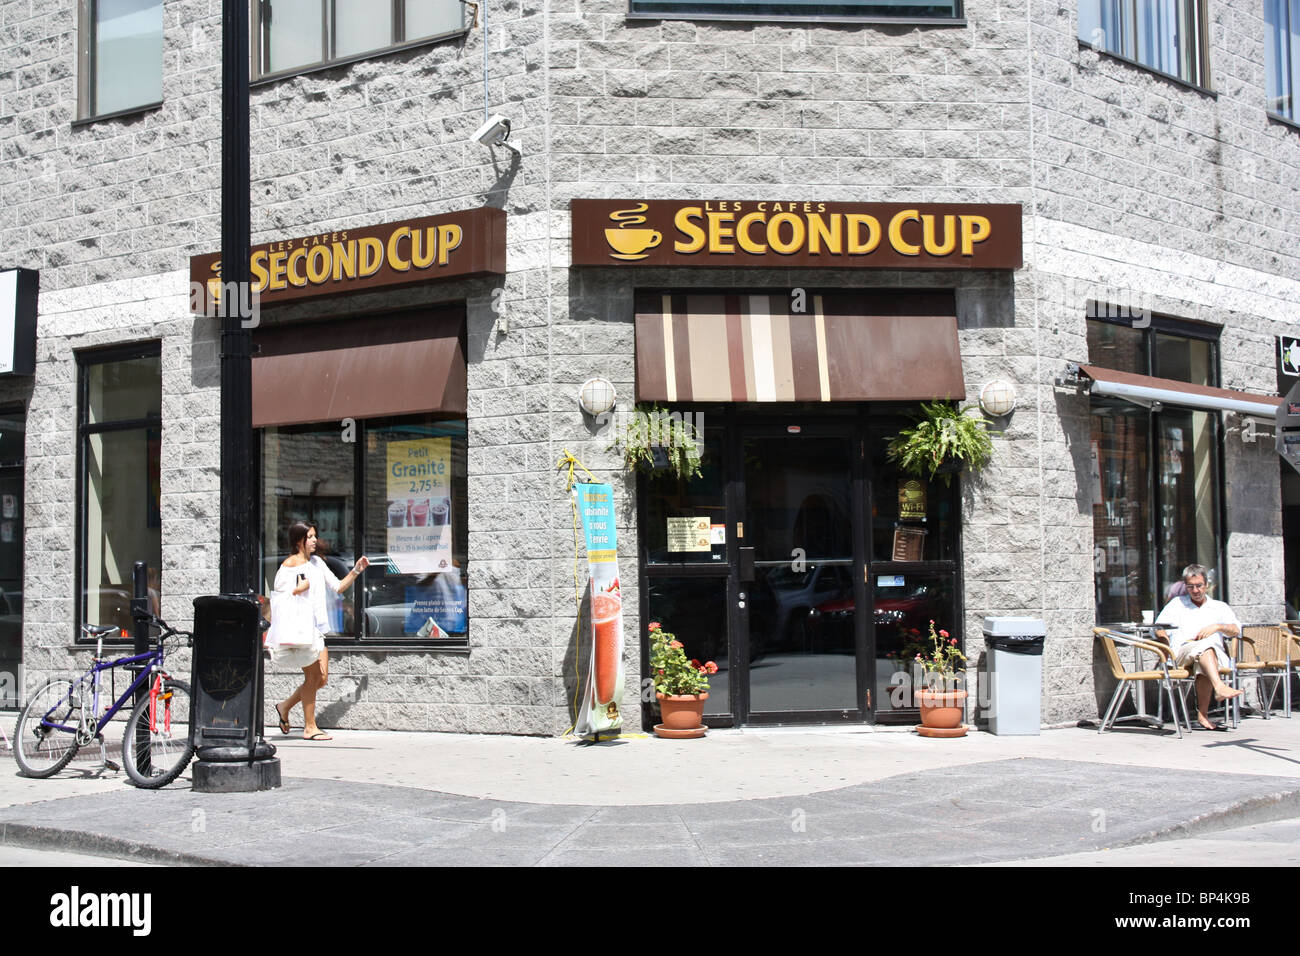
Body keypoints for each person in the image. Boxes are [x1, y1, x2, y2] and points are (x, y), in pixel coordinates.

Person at [270, 521, 368, 741]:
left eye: (315, 536)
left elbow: (338, 586)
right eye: (310, 536)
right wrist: (298, 589)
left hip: (316, 630)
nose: (315, 540)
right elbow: (279, 600)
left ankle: (284, 706)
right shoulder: (288, 566)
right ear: (299, 540)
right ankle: (309, 727)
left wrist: (356, 570)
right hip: (301, 630)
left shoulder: (316, 563)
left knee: (321, 678)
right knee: (313, 677)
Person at [1156, 563, 1243, 731]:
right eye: (1190, 587)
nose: (1195, 591)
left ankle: (1202, 715)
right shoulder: (1176, 604)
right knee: (1204, 647)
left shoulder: (1219, 607)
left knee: (1205, 652)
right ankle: (1219, 688)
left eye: (1199, 586)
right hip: (1183, 652)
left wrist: (1218, 627)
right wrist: (1165, 648)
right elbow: (1159, 628)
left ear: (1207, 585)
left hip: (1212, 655)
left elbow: (1236, 630)